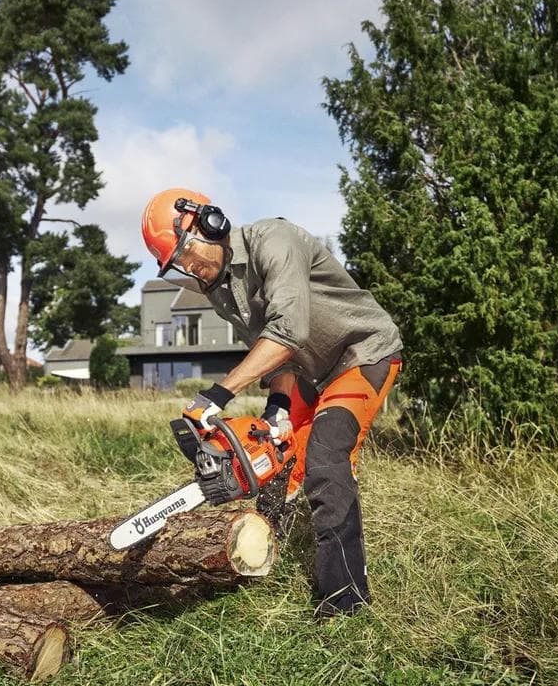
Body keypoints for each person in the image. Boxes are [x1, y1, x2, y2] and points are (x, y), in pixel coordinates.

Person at [141, 188, 403, 618]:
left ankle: (345, 599)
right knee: (278, 459)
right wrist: (277, 403)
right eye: (179, 265)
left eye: (187, 253)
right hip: (306, 369)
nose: (190, 268)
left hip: (361, 353)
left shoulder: (274, 242)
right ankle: (263, 557)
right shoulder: (218, 288)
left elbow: (288, 331)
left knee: (324, 458)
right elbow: (269, 345)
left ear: (210, 223)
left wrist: (217, 395)